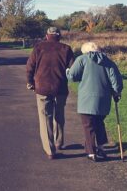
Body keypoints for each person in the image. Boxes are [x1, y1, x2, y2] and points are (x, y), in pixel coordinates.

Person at [66, 42, 123, 162]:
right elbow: (116, 81)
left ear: (85, 51)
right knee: (99, 123)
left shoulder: (82, 59)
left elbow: (72, 76)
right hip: (103, 99)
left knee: (88, 125)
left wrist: (67, 71)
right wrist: (117, 93)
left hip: (86, 100)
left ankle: (91, 152)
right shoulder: (108, 61)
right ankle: (101, 147)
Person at [26, 27, 75, 159]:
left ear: (47, 35)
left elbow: (30, 66)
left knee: (45, 117)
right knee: (59, 115)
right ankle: (59, 142)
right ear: (59, 36)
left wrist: (29, 81)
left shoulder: (38, 47)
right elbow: (72, 69)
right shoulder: (66, 49)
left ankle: (50, 150)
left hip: (42, 87)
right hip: (60, 87)